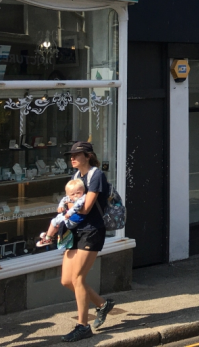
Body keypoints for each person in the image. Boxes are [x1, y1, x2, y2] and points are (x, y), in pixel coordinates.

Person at [59, 141, 115, 342]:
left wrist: (68, 205)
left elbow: (85, 208)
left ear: (88, 156)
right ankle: (102, 304)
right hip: (75, 231)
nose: (72, 158)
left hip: (92, 231)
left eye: (77, 154)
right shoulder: (76, 177)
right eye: (71, 155)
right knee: (67, 280)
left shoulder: (96, 175)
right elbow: (68, 204)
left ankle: (83, 326)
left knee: (78, 279)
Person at [36, 179, 86, 248]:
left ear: (83, 191)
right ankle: (49, 234)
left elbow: (76, 207)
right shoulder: (70, 198)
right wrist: (61, 206)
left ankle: (48, 238)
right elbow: (63, 200)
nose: (75, 195)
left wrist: (69, 213)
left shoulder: (82, 198)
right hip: (68, 217)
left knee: (54, 222)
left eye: (78, 193)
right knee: (57, 221)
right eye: (72, 194)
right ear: (68, 194)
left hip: (73, 220)